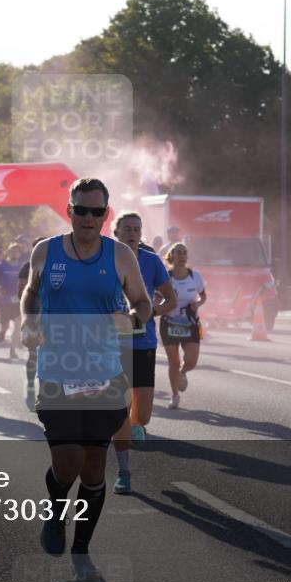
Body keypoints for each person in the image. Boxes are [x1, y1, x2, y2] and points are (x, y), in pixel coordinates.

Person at [21, 177, 152, 582]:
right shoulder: (46, 251)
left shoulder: (120, 255)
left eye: (97, 212)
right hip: (57, 372)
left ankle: (81, 553)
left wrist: (132, 320)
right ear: (70, 210)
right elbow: (31, 292)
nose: (89, 218)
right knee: (69, 462)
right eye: (82, 210)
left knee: (94, 467)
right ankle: (56, 510)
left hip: (104, 375)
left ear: (106, 214)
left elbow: (143, 303)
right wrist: (29, 320)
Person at [109, 212, 176, 495]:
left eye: (137, 229)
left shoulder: (151, 261)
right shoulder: (103, 259)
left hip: (144, 343)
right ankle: (124, 471)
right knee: (119, 411)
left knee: (143, 415)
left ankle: (135, 427)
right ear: (116, 233)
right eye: (127, 229)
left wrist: (151, 313)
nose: (133, 233)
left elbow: (171, 298)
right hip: (113, 345)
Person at [160, 242, 207, 410]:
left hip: (190, 323)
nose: (182, 256)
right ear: (172, 256)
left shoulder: (195, 276)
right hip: (169, 323)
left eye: (184, 253)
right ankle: (174, 396)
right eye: (178, 252)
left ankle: (183, 372)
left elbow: (203, 296)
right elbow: (157, 297)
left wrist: (197, 304)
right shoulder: (165, 277)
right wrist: (159, 306)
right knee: (173, 361)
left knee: (191, 361)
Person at [18, 237, 44, 411]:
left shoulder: (56, 266)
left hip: (51, 318)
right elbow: (21, 291)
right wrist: (26, 318)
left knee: (50, 357)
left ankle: (44, 394)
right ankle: (30, 388)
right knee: (33, 354)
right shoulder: (27, 267)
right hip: (33, 316)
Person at [0, 243, 25, 359]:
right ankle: (2, 332)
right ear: (8, 252)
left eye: (17, 251)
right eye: (12, 251)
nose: (15, 253)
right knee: (5, 325)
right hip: (4, 300)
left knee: (18, 324)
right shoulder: (1, 265)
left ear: (19, 254)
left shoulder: (21, 267)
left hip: (17, 300)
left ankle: (12, 351)